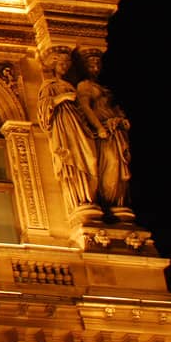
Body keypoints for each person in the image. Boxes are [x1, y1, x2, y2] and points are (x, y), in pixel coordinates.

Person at [38, 48, 98, 220]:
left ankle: (87, 199)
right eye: (61, 63)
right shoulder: (48, 85)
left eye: (67, 63)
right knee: (71, 160)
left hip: (77, 126)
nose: (64, 67)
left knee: (91, 161)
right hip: (63, 127)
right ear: (53, 64)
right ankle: (80, 202)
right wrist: (63, 98)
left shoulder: (72, 85)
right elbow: (43, 109)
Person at [75, 51, 132, 214]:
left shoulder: (102, 88)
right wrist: (99, 127)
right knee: (111, 165)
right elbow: (85, 107)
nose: (95, 67)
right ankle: (109, 202)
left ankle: (117, 205)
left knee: (119, 170)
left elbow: (111, 108)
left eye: (98, 64)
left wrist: (120, 118)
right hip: (103, 132)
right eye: (91, 64)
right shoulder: (84, 86)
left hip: (115, 131)